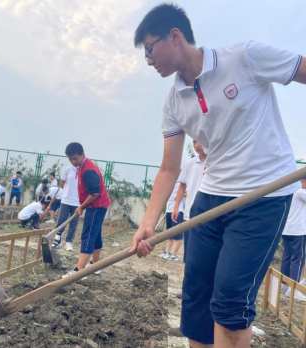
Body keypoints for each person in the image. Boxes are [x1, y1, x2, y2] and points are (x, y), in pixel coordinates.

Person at [130, 3, 305, 348]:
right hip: (211, 198)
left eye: (150, 50)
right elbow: (169, 167)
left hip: (263, 196)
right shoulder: (174, 103)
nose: (148, 60)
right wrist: (149, 221)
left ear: (175, 36)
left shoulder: (244, 57)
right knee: (196, 296)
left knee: (229, 302)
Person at [62, 142, 111, 278]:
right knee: (95, 235)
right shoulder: (81, 165)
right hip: (96, 205)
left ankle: (79, 271)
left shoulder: (88, 169)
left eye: (75, 158)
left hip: (96, 206)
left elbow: (95, 193)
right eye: (70, 159)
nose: (72, 161)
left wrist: (81, 206)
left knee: (88, 235)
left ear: (83, 154)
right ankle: (95, 266)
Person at [172, 140, 207, 263]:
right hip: (190, 214)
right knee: (190, 252)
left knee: (206, 253)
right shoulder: (189, 164)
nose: (197, 145)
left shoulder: (216, 164)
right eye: (194, 142)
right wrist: (176, 207)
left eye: (200, 141)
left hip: (210, 214)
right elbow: (182, 186)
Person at [280, 179, 306, 301]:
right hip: (297, 231)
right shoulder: (301, 192)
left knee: (287, 256)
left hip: (287, 229)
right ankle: (294, 289)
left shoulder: (290, 189)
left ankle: (284, 284)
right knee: (298, 258)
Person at [51, 164, 80, 251]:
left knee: (74, 222)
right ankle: (57, 240)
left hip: (77, 202)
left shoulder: (84, 170)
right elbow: (62, 183)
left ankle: (69, 241)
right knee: (61, 220)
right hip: (66, 200)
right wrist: (67, 192)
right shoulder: (68, 169)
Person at [159, 181, 185, 261]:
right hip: (169, 210)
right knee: (170, 233)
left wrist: (178, 197)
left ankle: (174, 255)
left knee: (178, 234)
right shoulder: (171, 182)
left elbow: (187, 193)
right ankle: (167, 252)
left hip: (178, 210)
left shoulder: (182, 182)